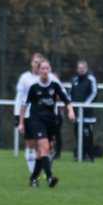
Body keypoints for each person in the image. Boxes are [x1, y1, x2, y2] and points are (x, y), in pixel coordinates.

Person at [20, 59, 75, 187]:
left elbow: (67, 100)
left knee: (44, 151)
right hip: (36, 120)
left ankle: (33, 178)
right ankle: (50, 178)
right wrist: (21, 122)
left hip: (51, 121)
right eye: (42, 68)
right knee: (44, 147)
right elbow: (24, 105)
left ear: (50, 70)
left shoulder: (54, 85)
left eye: (47, 68)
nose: (45, 71)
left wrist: (71, 112)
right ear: (39, 71)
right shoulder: (33, 87)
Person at [13, 54, 46, 174]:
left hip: (43, 117)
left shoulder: (47, 78)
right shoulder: (25, 78)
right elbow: (19, 97)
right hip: (27, 116)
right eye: (35, 62)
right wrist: (17, 115)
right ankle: (34, 174)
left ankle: (44, 169)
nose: (37, 64)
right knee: (31, 144)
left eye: (39, 62)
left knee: (45, 145)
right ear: (31, 63)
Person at [69, 59, 98, 161]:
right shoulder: (74, 80)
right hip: (77, 114)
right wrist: (71, 106)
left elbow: (94, 93)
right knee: (78, 134)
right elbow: (70, 94)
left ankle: (89, 155)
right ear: (77, 69)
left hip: (87, 114)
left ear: (86, 68)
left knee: (87, 135)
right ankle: (80, 154)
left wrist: (85, 105)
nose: (81, 70)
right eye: (79, 68)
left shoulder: (91, 79)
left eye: (83, 68)